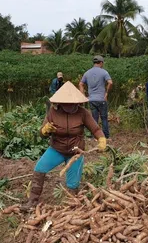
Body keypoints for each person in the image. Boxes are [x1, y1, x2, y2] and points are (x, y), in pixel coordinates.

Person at [22, 81, 107, 211]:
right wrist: (45, 130)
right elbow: (41, 134)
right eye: (66, 104)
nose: (69, 106)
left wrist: (101, 139)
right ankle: (32, 201)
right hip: (57, 149)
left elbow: (95, 129)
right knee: (39, 168)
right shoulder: (52, 112)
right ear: (60, 103)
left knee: (72, 184)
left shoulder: (83, 113)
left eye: (72, 104)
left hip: (76, 152)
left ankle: (72, 207)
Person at [79, 55, 113, 139]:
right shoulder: (104, 72)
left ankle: (94, 136)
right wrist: (106, 93)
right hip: (101, 99)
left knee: (94, 119)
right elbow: (110, 82)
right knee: (104, 118)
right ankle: (105, 136)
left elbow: (81, 84)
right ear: (101, 63)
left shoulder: (87, 73)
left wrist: (83, 96)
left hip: (92, 99)